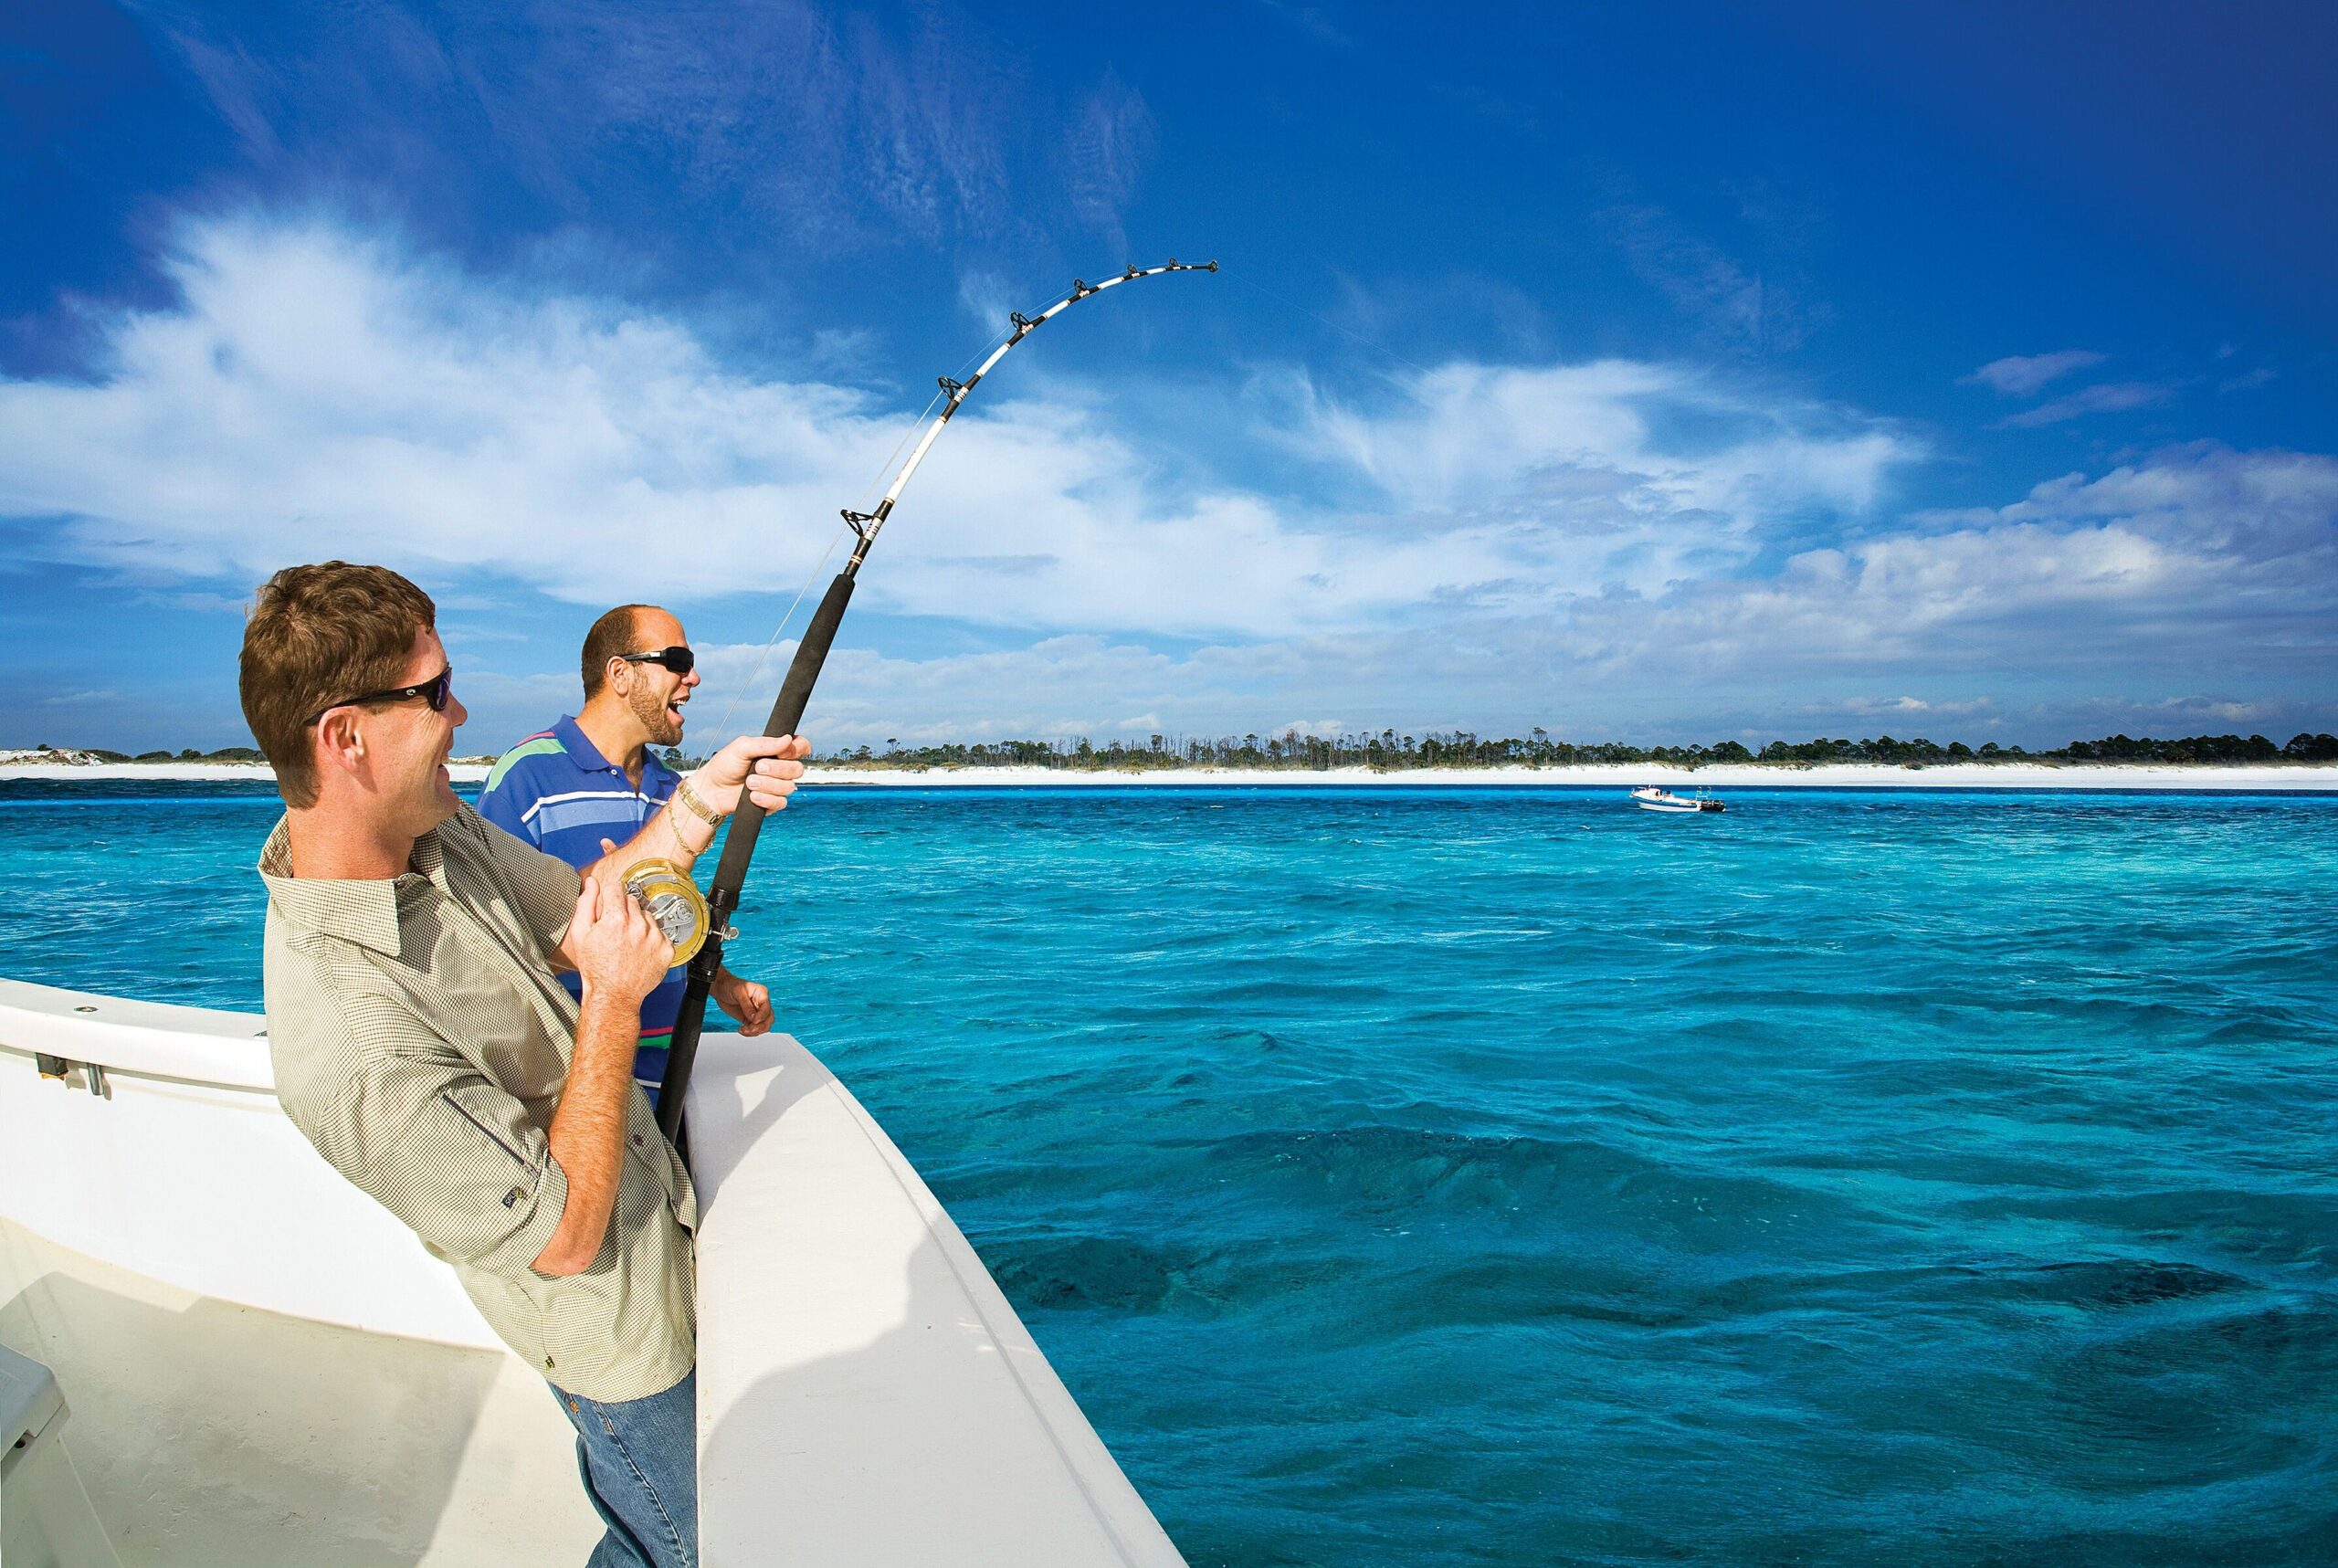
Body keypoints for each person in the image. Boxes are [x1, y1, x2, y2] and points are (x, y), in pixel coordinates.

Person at [242, 561, 809, 1568]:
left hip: (661, 1221)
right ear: (345, 736)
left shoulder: (436, 829)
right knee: (696, 1545)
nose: (460, 712)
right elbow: (558, 1240)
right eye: (433, 693)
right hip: (618, 1338)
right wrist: (618, 1003)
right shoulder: (349, 1048)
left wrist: (698, 807)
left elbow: (578, 908)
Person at [479, 605, 771, 1095]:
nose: (693, 677)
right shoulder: (525, 776)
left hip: (665, 1082)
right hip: (569, 1089)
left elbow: (669, 917)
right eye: (677, 660)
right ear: (619, 672)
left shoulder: (671, 788)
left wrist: (722, 983)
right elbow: (495, 943)